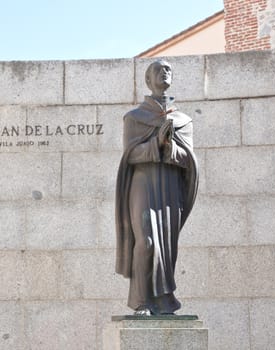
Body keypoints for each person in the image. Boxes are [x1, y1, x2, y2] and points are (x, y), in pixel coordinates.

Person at [115, 59, 199, 315]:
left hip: (171, 186)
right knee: (147, 241)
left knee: (167, 243)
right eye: (158, 69)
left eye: (168, 69)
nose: (164, 72)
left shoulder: (183, 121)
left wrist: (170, 146)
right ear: (148, 80)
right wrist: (156, 144)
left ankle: (163, 300)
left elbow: (189, 160)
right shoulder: (134, 118)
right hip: (143, 184)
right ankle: (141, 301)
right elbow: (130, 155)